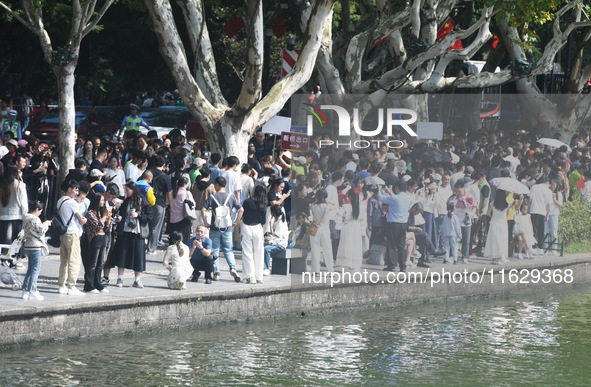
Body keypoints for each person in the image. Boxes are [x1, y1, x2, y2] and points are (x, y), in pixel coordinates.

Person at [106, 182, 148, 288]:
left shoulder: (143, 201)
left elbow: (149, 217)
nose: (126, 192)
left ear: (133, 190)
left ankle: (137, 280)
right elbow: (120, 212)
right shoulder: (126, 201)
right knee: (122, 255)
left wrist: (138, 215)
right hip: (125, 231)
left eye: (128, 190)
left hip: (138, 232)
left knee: (138, 256)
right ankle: (120, 278)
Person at [202, 176, 243, 282]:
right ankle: (233, 268)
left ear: (216, 185)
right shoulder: (231, 196)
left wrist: (206, 222)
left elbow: (203, 209)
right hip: (228, 228)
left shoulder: (212, 197)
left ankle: (216, 272)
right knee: (228, 250)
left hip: (215, 227)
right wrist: (236, 222)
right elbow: (241, 210)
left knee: (214, 250)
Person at [57, 180, 87, 296]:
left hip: (63, 233)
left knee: (64, 261)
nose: (77, 192)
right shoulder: (72, 202)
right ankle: (71, 286)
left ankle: (61, 285)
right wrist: (85, 219)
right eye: (75, 189)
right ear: (69, 189)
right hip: (73, 233)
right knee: (74, 260)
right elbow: (81, 219)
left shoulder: (60, 201)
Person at [377, 180, 414, 272]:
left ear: (397, 188)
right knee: (401, 245)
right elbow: (394, 197)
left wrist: (378, 190)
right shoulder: (407, 198)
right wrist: (390, 193)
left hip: (393, 224)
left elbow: (381, 198)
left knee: (392, 245)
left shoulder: (395, 198)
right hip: (403, 224)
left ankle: (392, 265)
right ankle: (402, 266)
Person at [21, 200, 51, 301]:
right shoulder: (35, 219)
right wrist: (46, 224)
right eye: (40, 211)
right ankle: (32, 291)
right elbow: (41, 230)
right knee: (35, 269)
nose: (40, 213)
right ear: (37, 209)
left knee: (30, 269)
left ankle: (25, 290)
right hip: (35, 246)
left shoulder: (25, 218)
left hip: (28, 245)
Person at [82, 193, 111, 294]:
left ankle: (98, 283)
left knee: (100, 263)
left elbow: (106, 228)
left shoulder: (100, 212)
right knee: (92, 263)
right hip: (95, 238)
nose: (103, 202)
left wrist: (108, 220)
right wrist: (104, 216)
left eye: (103, 200)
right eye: (101, 200)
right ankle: (89, 285)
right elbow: (97, 226)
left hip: (103, 237)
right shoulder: (90, 213)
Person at [240, 184, 267, 284]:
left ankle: (250, 277)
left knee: (247, 252)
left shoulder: (247, 201)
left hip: (246, 226)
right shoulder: (263, 204)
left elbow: (242, 213)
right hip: (258, 227)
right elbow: (263, 221)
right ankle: (259, 276)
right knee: (259, 252)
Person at [336, 186, 362, 271]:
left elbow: (339, 217)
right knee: (355, 245)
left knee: (347, 245)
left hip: (348, 227)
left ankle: (347, 264)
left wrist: (340, 225)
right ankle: (354, 264)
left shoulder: (346, 206)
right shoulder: (358, 208)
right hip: (356, 228)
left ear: (350, 196)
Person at [309, 189, 334, 274]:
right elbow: (336, 205)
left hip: (315, 228)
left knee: (315, 249)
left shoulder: (313, 206)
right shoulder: (327, 207)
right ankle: (330, 270)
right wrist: (328, 201)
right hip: (325, 228)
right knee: (327, 249)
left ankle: (315, 270)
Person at [484, 189, 510, 265]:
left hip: (494, 223)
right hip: (503, 224)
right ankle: (500, 257)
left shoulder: (492, 203)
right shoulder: (507, 204)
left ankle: (494, 258)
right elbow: (507, 215)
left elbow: (488, 213)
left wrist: (493, 215)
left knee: (493, 240)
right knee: (502, 240)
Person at [264, 205, 289, 275]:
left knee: (266, 249)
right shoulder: (278, 220)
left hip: (281, 244)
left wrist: (270, 225)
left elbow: (276, 235)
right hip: (277, 241)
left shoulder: (280, 222)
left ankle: (267, 268)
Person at [169, 176, 194, 244]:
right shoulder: (187, 193)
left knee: (173, 240)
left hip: (173, 218)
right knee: (184, 241)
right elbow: (193, 204)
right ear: (185, 184)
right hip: (184, 218)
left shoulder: (171, 192)